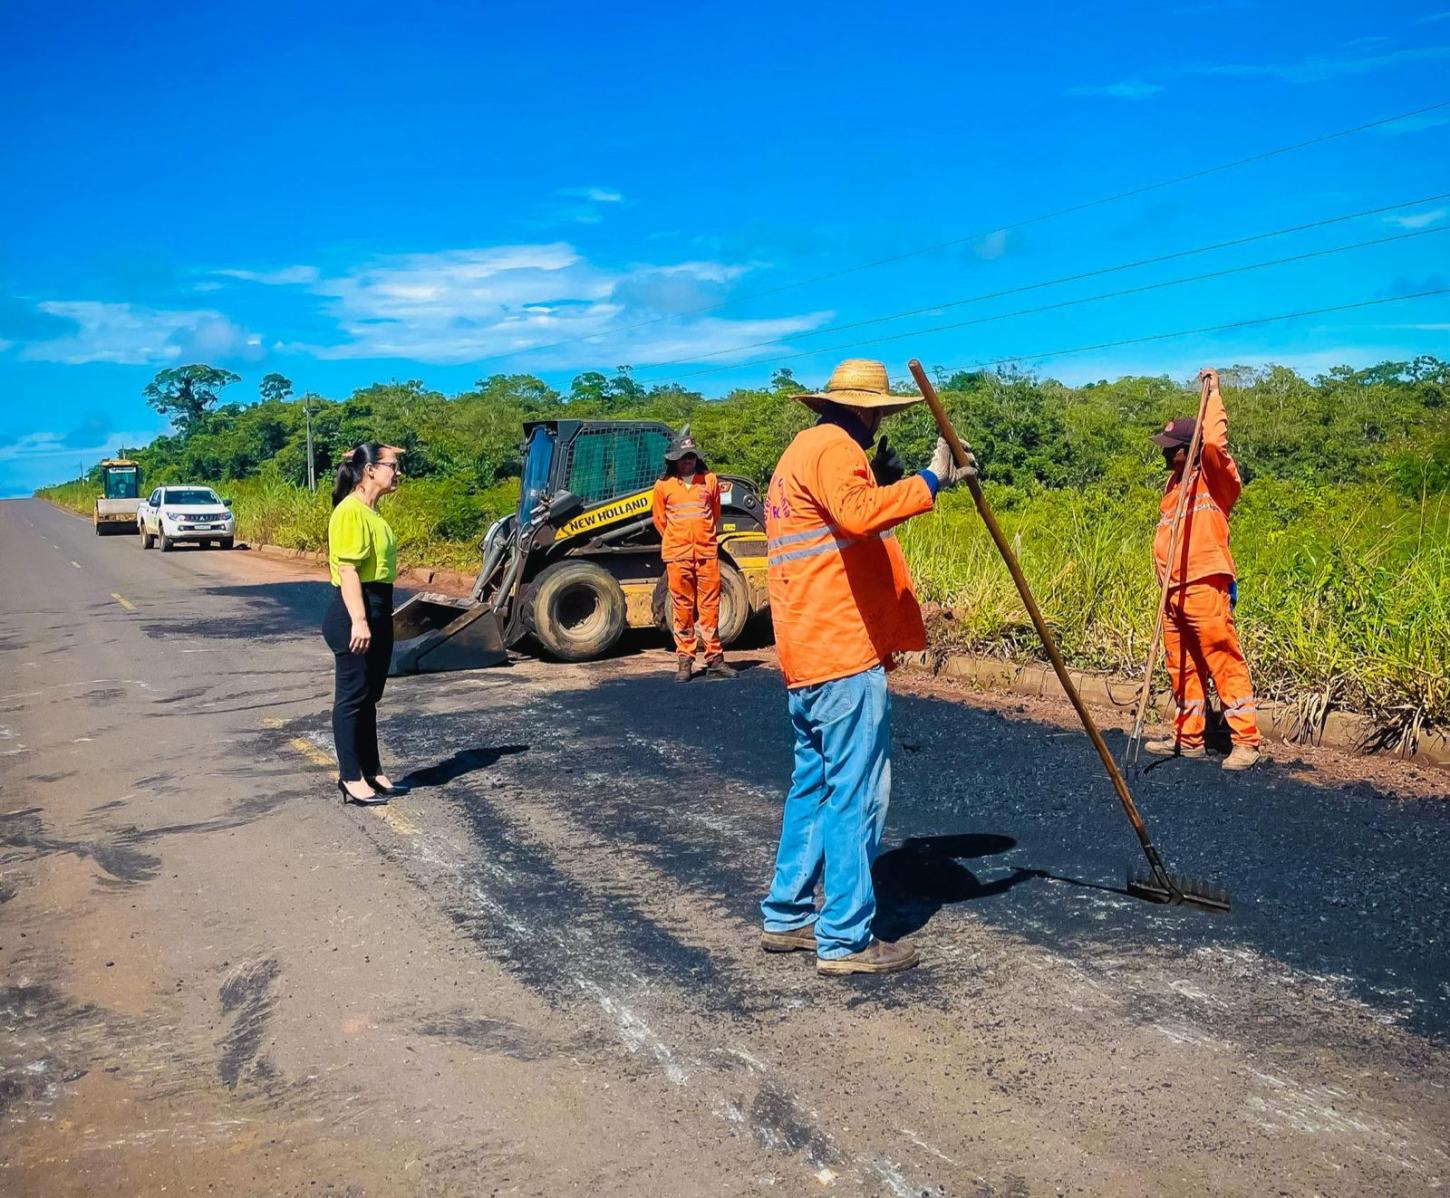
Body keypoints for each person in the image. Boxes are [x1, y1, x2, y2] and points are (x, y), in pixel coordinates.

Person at [758, 359, 973, 976]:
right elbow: (857, 515)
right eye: (878, 412)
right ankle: (846, 939)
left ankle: (786, 915)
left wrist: (886, 484)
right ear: (866, 410)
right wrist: (932, 479)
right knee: (855, 794)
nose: (880, 421)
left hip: (807, 651)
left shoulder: (801, 451)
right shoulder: (832, 449)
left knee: (814, 787)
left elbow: (841, 525)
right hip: (840, 651)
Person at [1145, 368, 1261, 771]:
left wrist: (1212, 393)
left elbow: (1214, 440)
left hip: (1204, 586)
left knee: (1222, 659)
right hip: (1172, 592)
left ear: (1190, 448)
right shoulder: (1174, 485)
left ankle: (1245, 740)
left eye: (1171, 447)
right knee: (1181, 666)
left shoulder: (1214, 478)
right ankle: (1188, 736)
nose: (1164, 453)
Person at [324, 443, 407, 805]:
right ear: (370, 470)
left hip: (377, 609)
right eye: (393, 465)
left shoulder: (374, 513)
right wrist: (359, 621)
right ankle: (350, 776)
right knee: (352, 698)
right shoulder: (350, 512)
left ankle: (372, 771)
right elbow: (348, 570)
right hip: (354, 612)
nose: (398, 472)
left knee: (369, 698)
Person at [651, 426, 736, 682]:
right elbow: (659, 521)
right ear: (674, 461)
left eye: (691, 457)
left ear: (696, 458)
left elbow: (715, 513)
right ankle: (685, 661)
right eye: (683, 458)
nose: (687, 462)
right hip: (678, 555)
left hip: (706, 552)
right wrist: (679, 540)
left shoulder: (709, 480)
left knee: (711, 607)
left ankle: (715, 659)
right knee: (682, 608)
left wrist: (701, 535)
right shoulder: (663, 486)